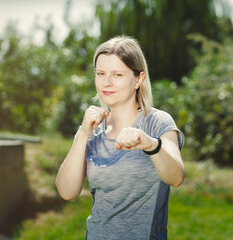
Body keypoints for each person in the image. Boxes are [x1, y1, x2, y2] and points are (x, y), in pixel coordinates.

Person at [55, 36, 185, 240]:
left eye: (117, 74)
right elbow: (67, 191)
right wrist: (82, 135)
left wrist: (149, 144)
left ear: (138, 79)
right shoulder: (92, 131)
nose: (106, 82)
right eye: (101, 73)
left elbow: (176, 177)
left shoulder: (157, 122)